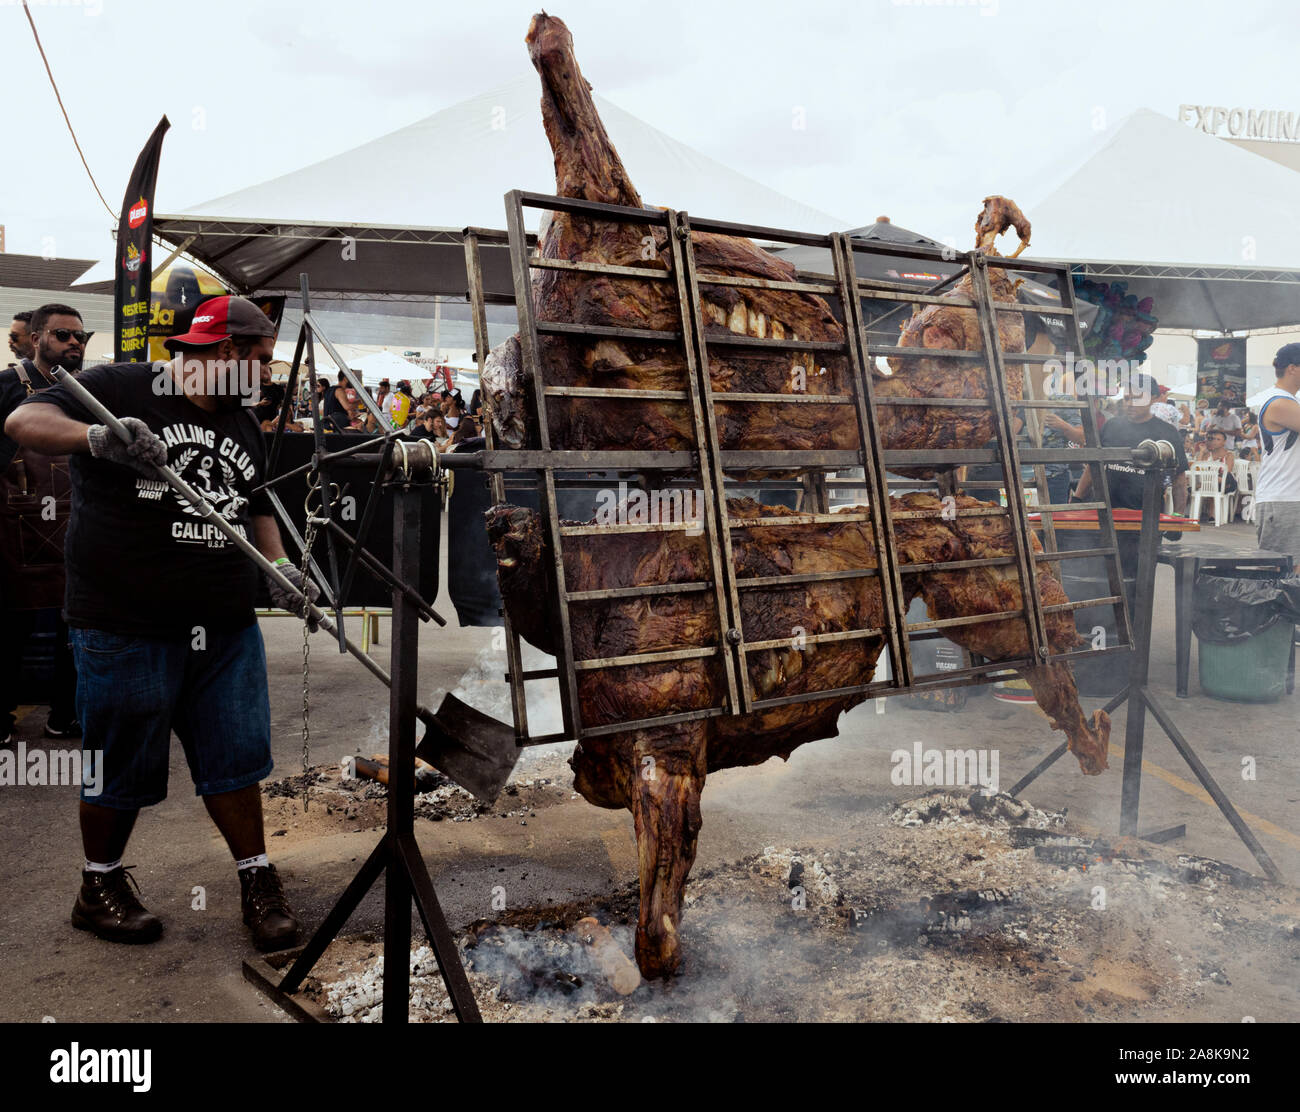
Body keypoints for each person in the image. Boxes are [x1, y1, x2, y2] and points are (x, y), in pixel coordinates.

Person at [3, 295, 317, 950]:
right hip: (124, 622)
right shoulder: (118, 385)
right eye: (258, 360)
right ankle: (100, 885)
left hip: (224, 624)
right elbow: (24, 420)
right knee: (122, 764)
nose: (265, 373)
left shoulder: (243, 420)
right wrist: (95, 437)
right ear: (223, 352)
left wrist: (282, 566)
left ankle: (257, 879)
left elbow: (254, 499)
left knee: (235, 756)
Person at [0, 304, 85, 745]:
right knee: (10, 626)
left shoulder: (90, 392)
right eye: (64, 335)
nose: (75, 344)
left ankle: (66, 715)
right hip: (14, 530)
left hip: (75, 528)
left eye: (80, 337)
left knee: (74, 628)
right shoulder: (5, 386)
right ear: (37, 339)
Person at [1075, 371, 1188, 513]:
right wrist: (1077, 498)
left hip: (1147, 514)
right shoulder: (1111, 426)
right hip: (1106, 510)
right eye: (1127, 399)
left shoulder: (1168, 432)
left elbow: (1179, 478)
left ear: (1154, 399)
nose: (1130, 404)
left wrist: (1178, 515)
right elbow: (1093, 467)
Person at [1253, 343, 1300, 556]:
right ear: (1292, 368)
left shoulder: (1291, 400)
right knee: (1285, 577)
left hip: (1287, 498)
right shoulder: (1280, 403)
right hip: (1284, 500)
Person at [1192, 429, 1237, 519]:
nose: (1214, 442)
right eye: (1212, 439)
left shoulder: (1229, 455)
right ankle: (1210, 514)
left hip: (1225, 483)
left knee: (1224, 478)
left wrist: (1208, 480)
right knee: (1198, 481)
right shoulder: (1206, 455)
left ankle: (1212, 514)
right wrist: (1201, 452)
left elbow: (1227, 473)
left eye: (1218, 439)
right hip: (1208, 483)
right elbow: (1197, 469)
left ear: (1224, 442)